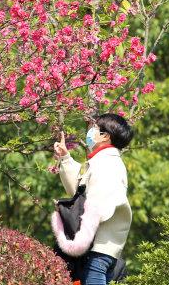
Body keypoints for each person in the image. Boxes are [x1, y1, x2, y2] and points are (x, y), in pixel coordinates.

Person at [51, 114, 134, 285]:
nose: (90, 131)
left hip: (98, 247)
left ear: (105, 136)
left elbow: (95, 205)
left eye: (95, 128)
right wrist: (66, 158)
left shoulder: (108, 164)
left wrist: (80, 239)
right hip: (99, 246)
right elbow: (80, 190)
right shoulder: (102, 161)